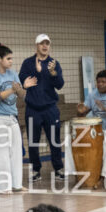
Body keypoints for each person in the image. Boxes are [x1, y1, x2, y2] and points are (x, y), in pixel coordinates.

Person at [0, 43, 37, 194]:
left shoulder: (13, 73)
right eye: (8, 58)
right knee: (1, 151)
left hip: (11, 117)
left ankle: (16, 184)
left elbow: (22, 95)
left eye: (11, 58)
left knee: (16, 150)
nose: (11, 61)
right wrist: (12, 89)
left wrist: (23, 87)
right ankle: (3, 186)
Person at [19, 34, 65, 182]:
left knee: (54, 140)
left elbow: (60, 85)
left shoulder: (54, 64)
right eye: (42, 43)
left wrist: (53, 73)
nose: (45, 46)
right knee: (33, 141)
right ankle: (35, 170)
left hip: (50, 108)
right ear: (36, 45)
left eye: (47, 43)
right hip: (33, 109)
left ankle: (58, 168)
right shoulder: (28, 63)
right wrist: (36, 72)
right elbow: (22, 80)